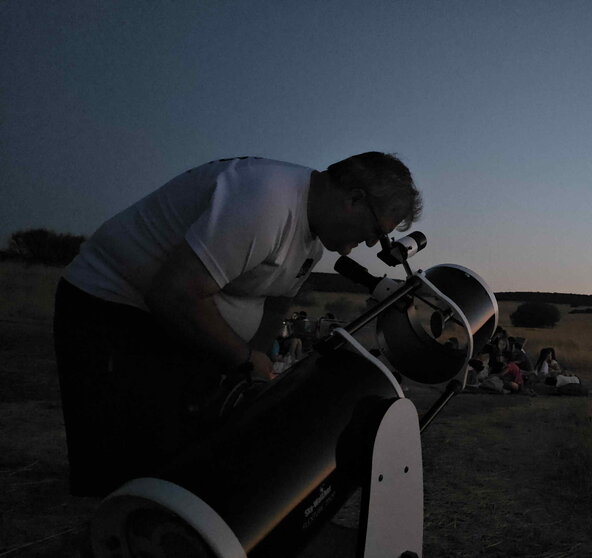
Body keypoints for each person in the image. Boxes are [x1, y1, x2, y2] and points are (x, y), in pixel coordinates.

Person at [53, 152, 422, 496]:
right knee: (120, 472)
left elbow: (277, 305)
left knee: (181, 453)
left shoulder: (311, 242)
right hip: (112, 310)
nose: (365, 246)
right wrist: (244, 358)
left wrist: (255, 367)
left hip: (172, 325)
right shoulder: (266, 202)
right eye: (373, 233)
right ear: (354, 199)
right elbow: (175, 293)